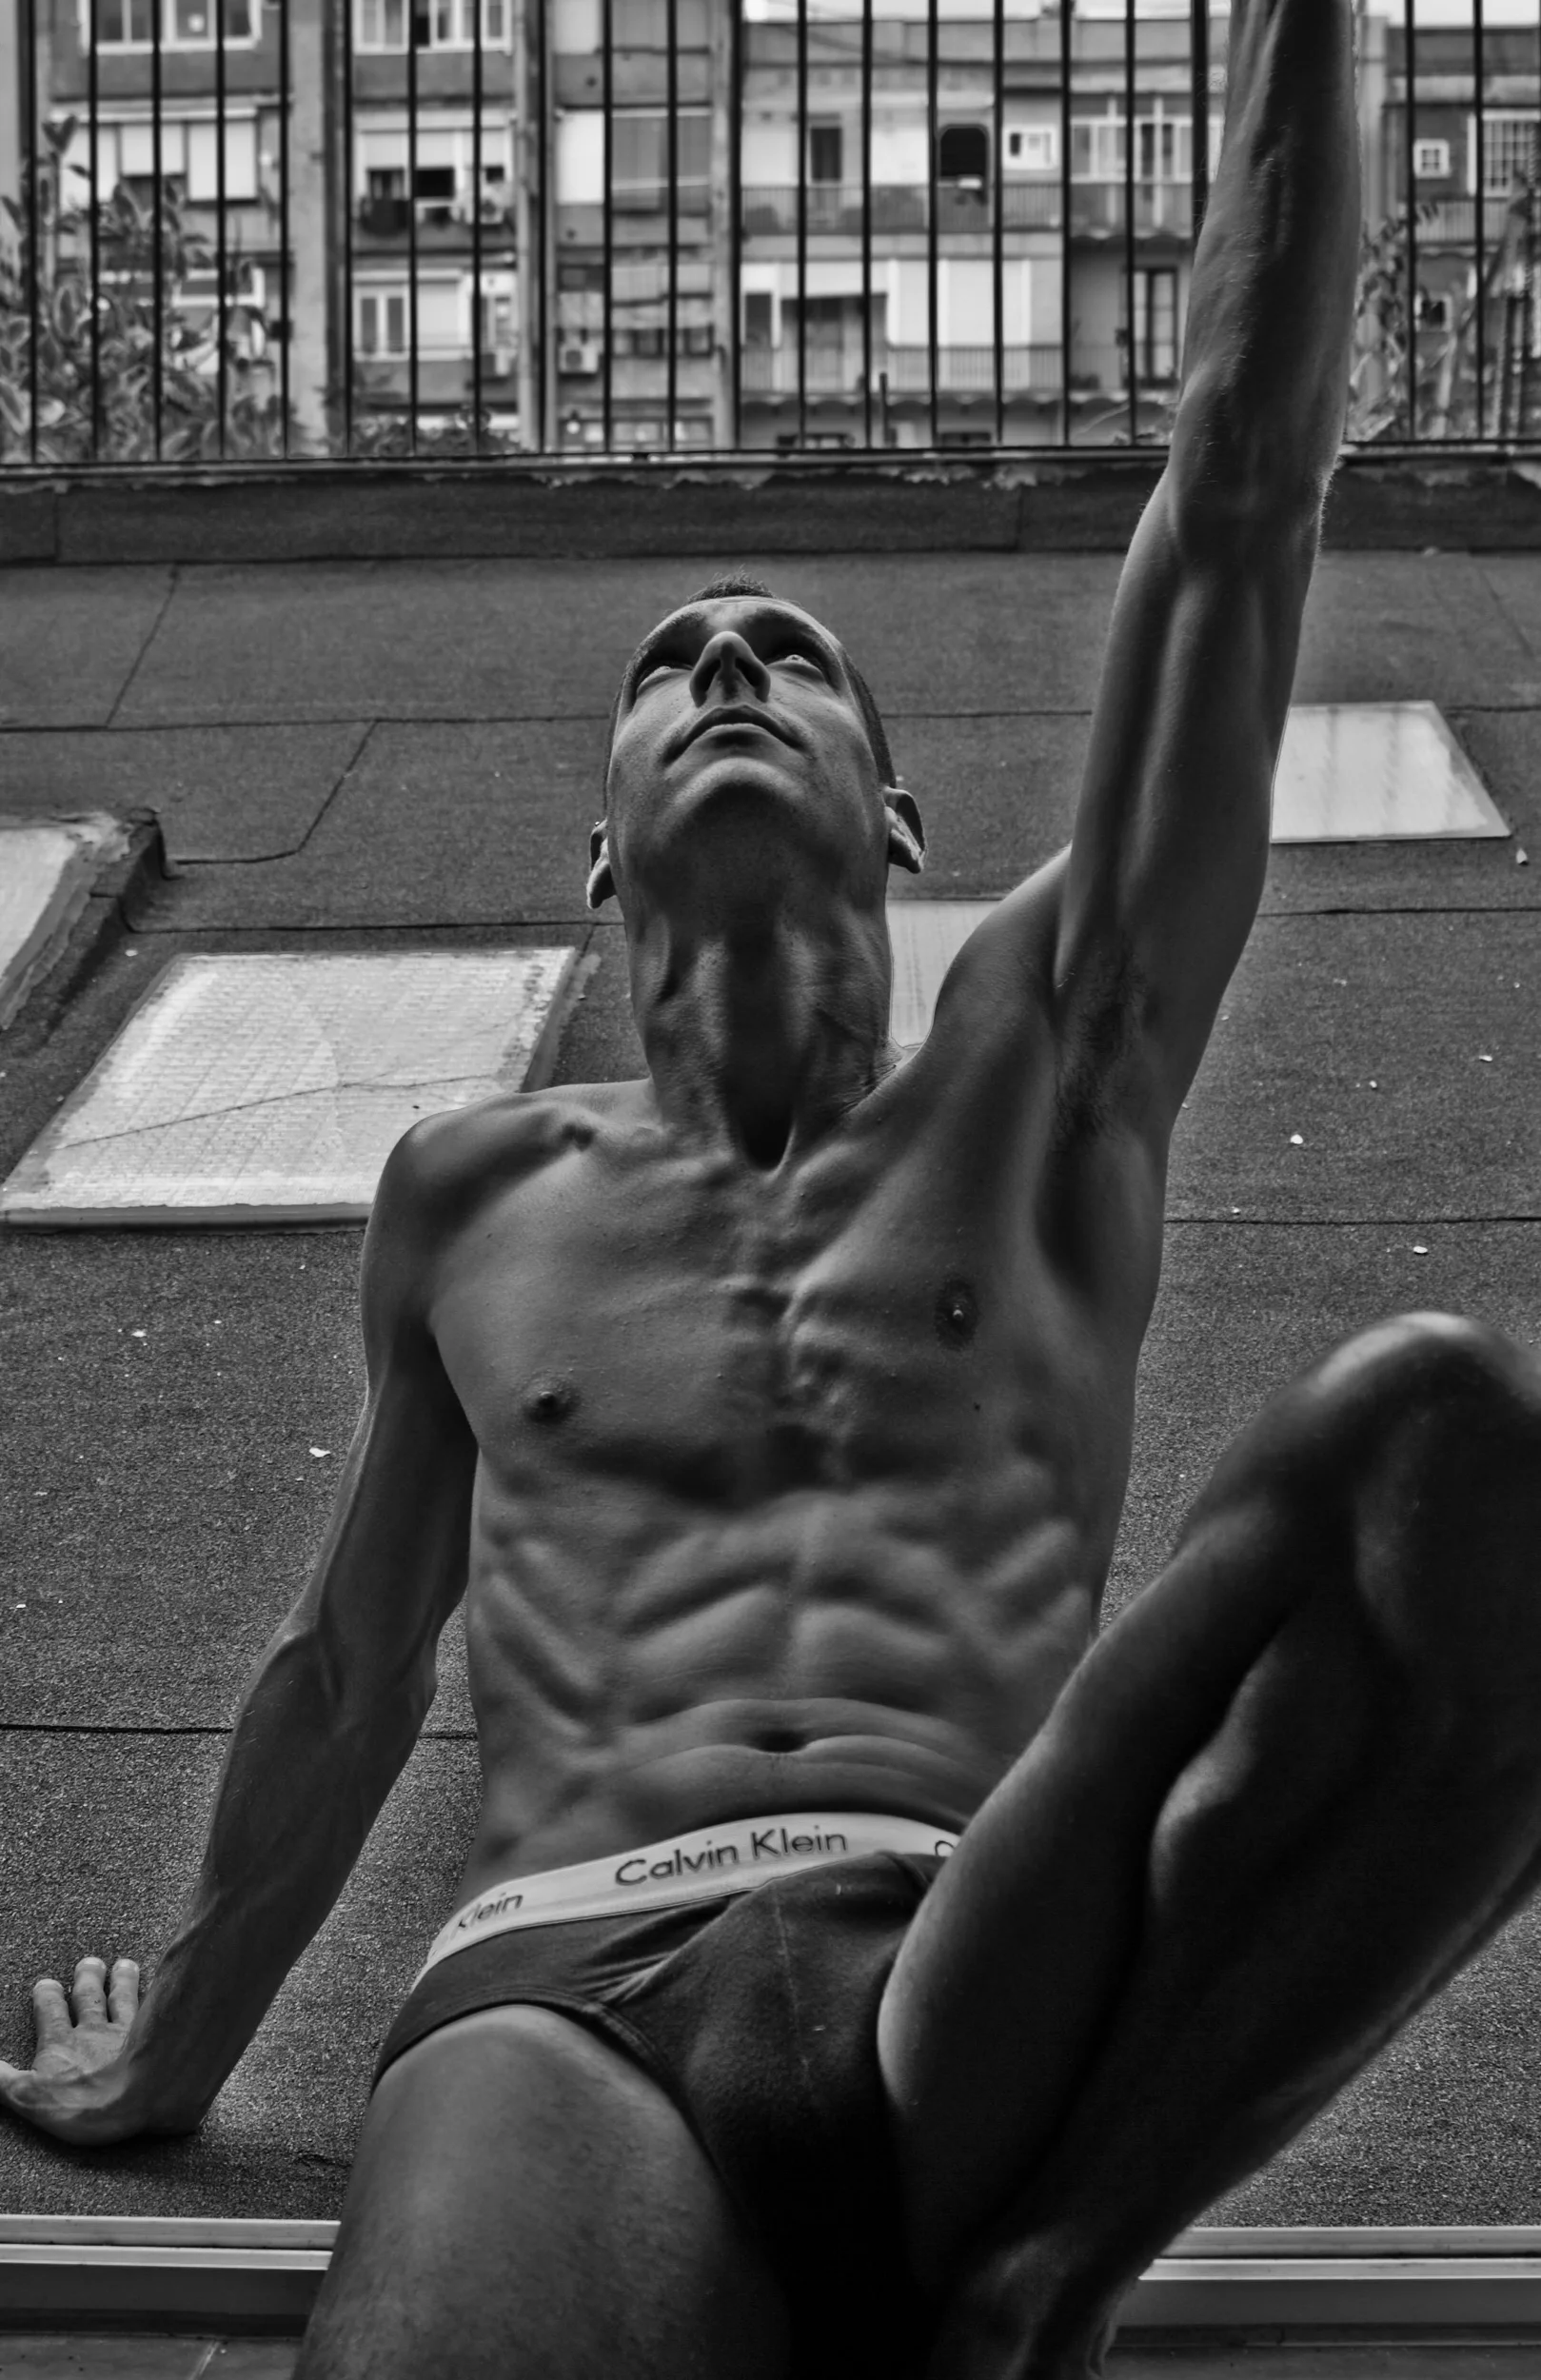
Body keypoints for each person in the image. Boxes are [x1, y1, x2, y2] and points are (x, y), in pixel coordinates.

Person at [7, 0, 1541, 2371]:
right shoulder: (469, 1191)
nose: (726, 656)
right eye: (673, 658)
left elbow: (1238, 485)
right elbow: (348, 1660)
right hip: (566, 1980)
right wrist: (173, 2042)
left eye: (790, 655)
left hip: (970, 1936)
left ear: (897, 815)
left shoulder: (1046, 1064)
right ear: (603, 838)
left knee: (1445, 1431)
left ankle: (1047, 2263)